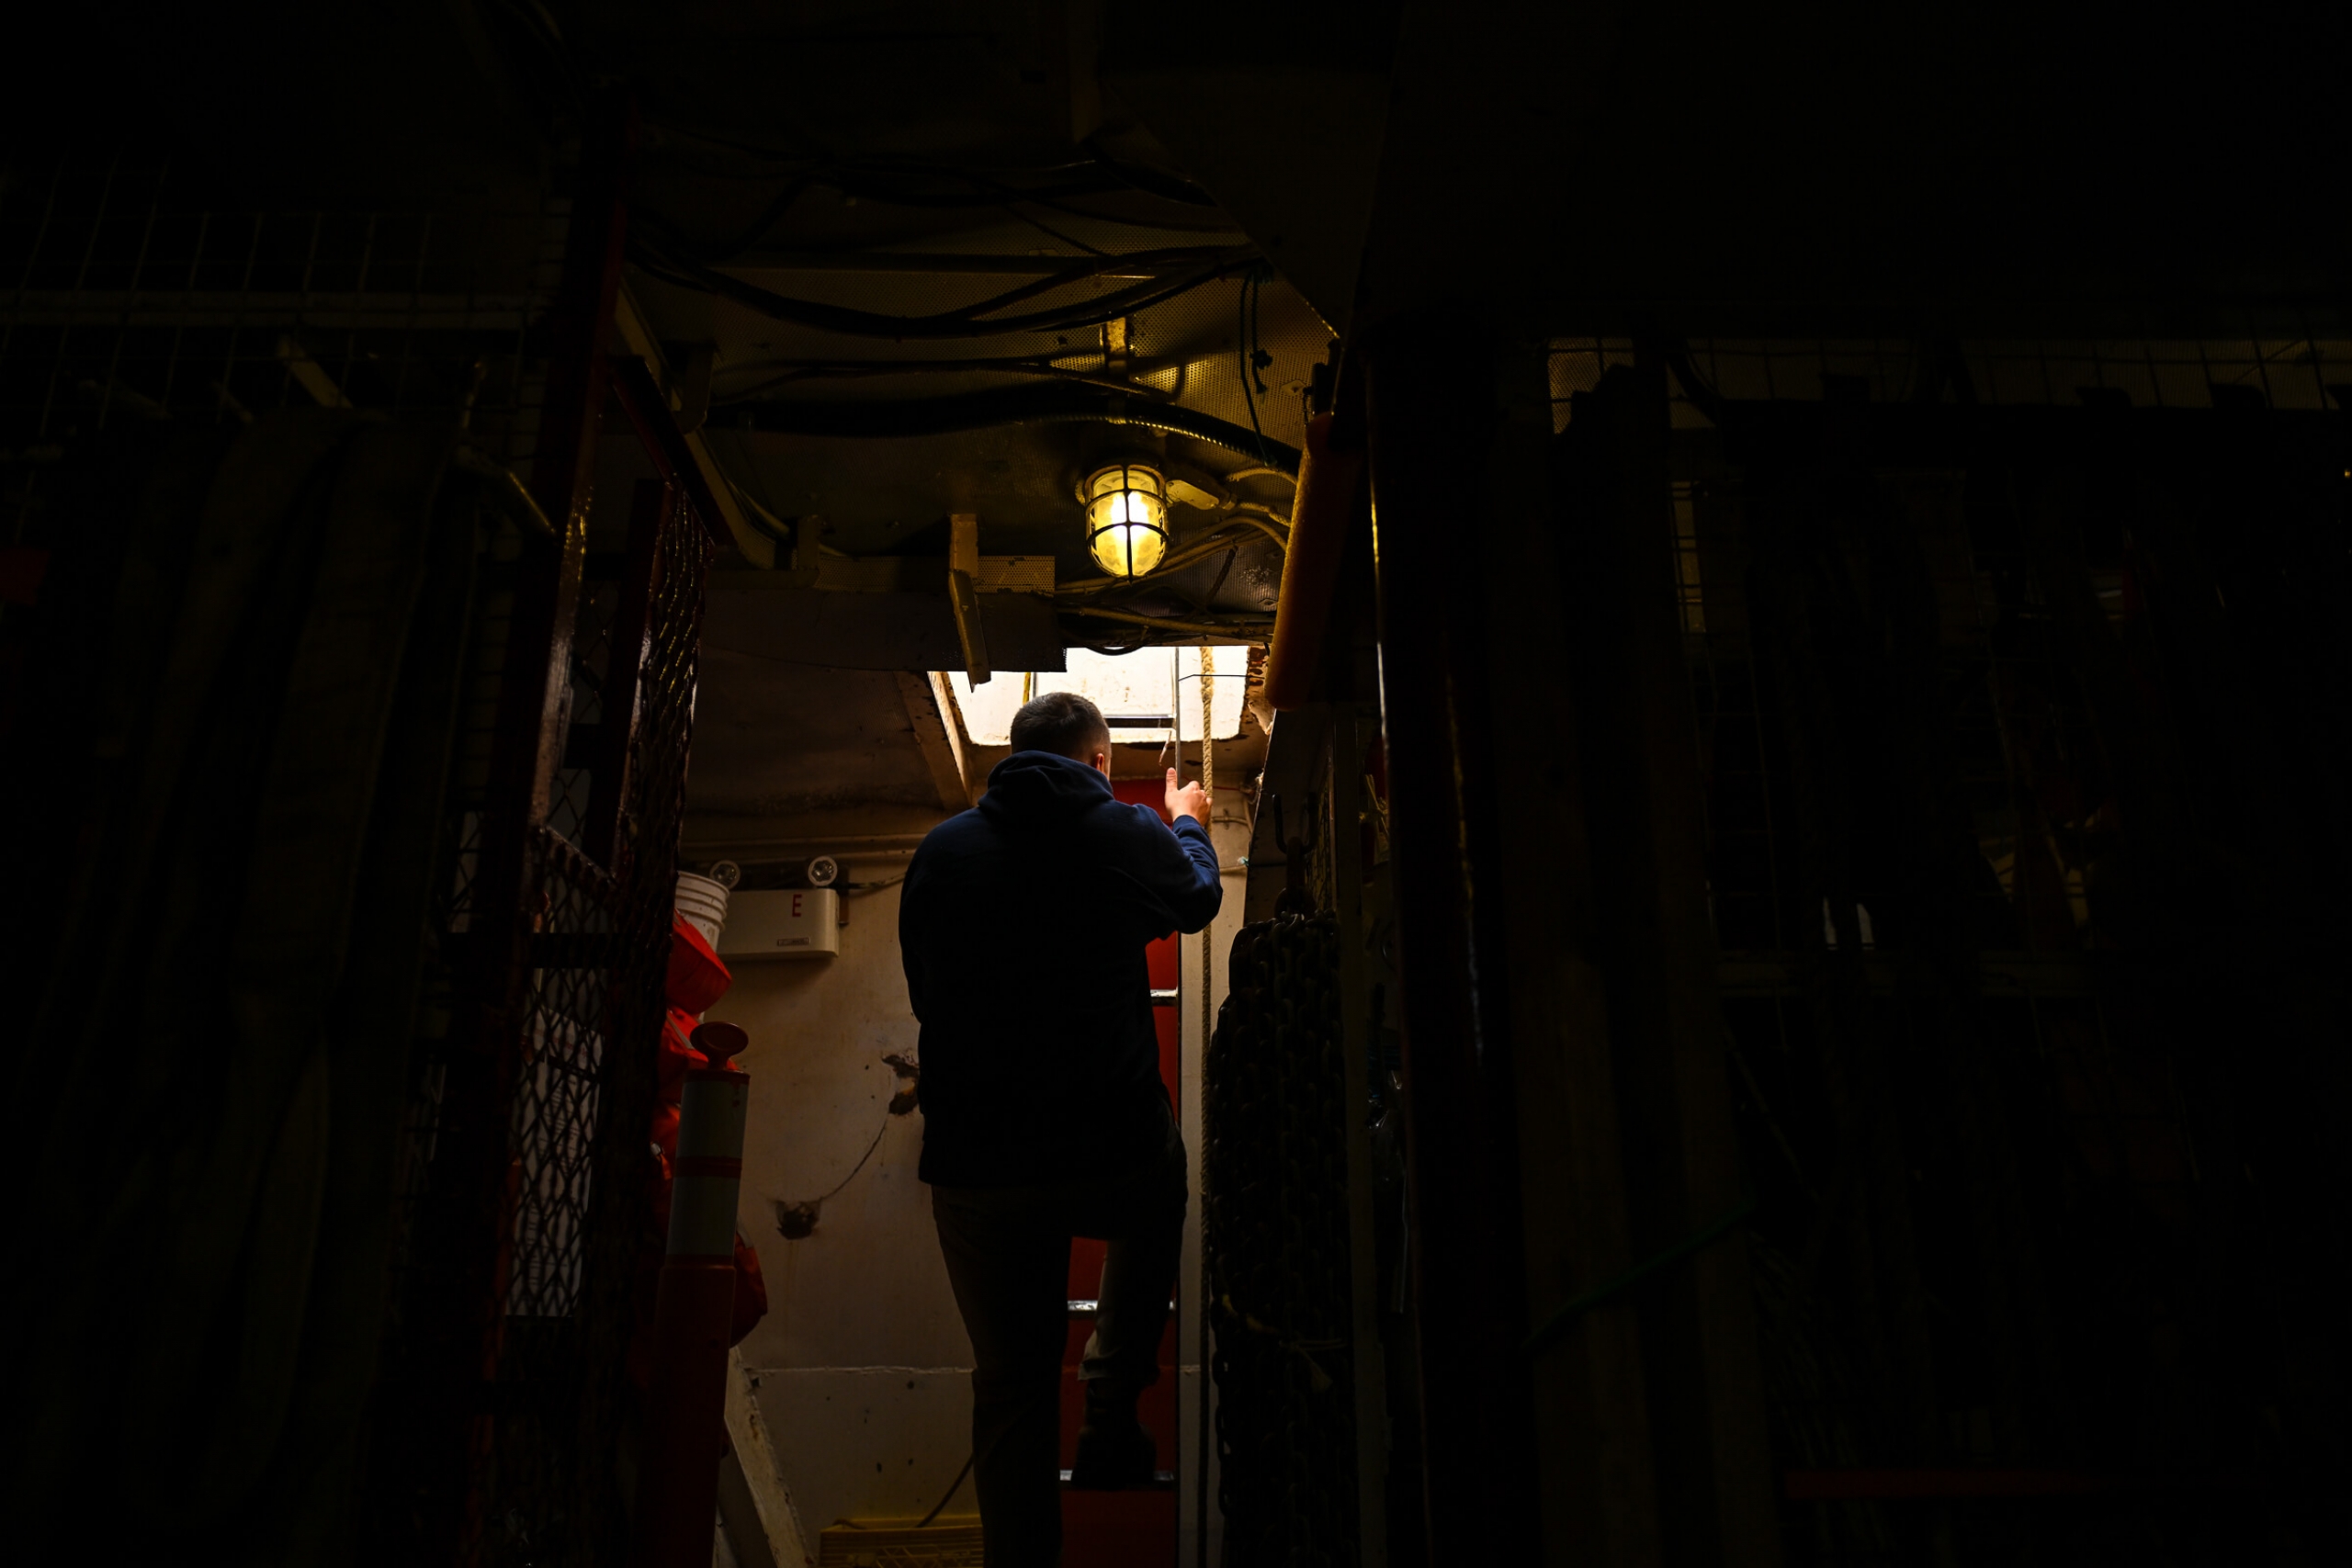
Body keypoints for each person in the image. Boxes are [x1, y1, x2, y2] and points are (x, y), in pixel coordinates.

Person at [899, 690, 1220, 1565]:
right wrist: (1188, 819)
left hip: (976, 1162)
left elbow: (927, 993)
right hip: (1105, 1143)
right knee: (1159, 1188)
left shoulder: (941, 852)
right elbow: (1194, 904)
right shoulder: (1123, 830)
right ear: (1101, 759)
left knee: (1010, 1387)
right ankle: (1112, 1411)